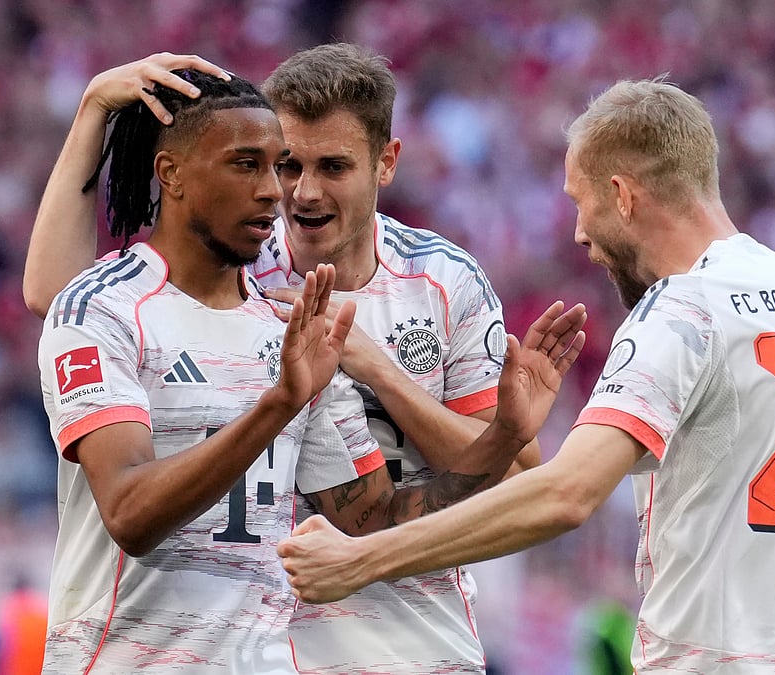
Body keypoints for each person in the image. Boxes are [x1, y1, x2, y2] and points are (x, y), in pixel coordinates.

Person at [277, 78, 775, 675]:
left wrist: (360, 560)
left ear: (623, 196)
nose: (579, 233)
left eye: (581, 202)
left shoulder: (683, 306)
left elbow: (564, 494)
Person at [32, 56, 584, 674]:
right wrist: (93, 114)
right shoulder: (240, 264)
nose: (298, 191)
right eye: (283, 164)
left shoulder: (442, 282)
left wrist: (380, 372)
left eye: (334, 167)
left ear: (386, 162)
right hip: (260, 644)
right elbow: (63, 299)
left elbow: (505, 480)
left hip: (410, 639)